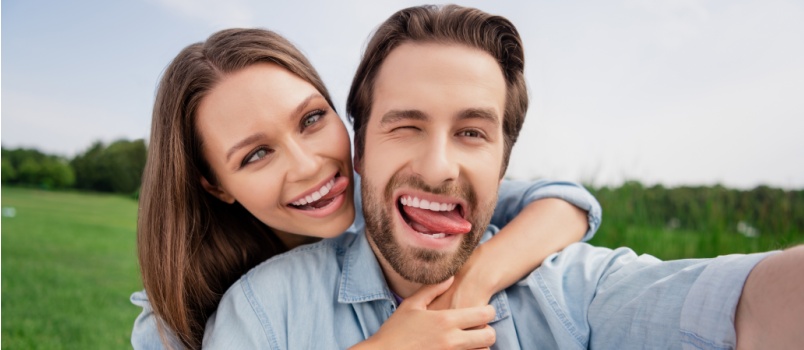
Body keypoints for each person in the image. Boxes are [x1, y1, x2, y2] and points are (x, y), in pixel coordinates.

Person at [203, 4, 804, 349]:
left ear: (504, 162)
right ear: (361, 149)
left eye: (472, 132)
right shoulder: (259, 311)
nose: (439, 167)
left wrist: (474, 283)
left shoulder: (572, 293)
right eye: (405, 125)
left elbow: (747, 308)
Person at [130, 28, 604, 349]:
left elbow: (564, 205)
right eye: (257, 155)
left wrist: (473, 279)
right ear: (214, 185)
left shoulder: (378, 196)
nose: (309, 166)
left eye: (312, 119)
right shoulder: (176, 320)